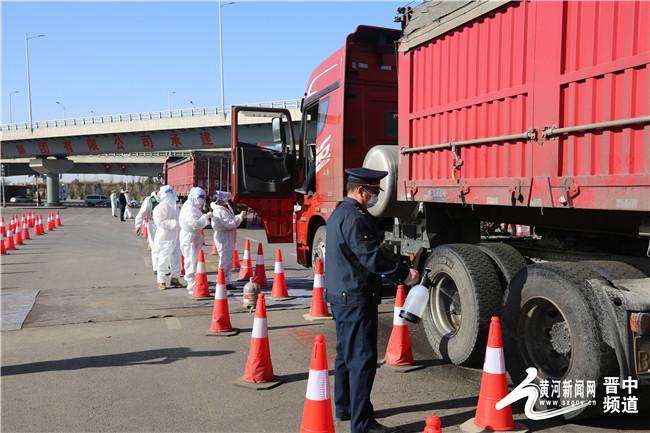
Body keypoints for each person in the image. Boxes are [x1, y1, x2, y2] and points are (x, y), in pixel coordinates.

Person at [325, 168, 419, 433]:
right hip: (355, 296)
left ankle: (344, 408)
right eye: (374, 191)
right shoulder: (356, 218)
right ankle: (362, 423)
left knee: (345, 355)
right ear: (360, 190)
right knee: (362, 360)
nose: (376, 196)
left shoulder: (339, 213)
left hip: (340, 295)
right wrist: (404, 273)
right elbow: (371, 257)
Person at [179, 187, 212, 294]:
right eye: (200, 198)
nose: (202, 200)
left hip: (192, 236)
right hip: (190, 236)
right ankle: (191, 283)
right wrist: (205, 217)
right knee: (191, 259)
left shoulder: (192, 206)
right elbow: (195, 224)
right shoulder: (190, 209)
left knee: (193, 259)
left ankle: (194, 281)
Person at [210, 191, 246, 288]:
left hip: (226, 236)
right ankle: (223, 281)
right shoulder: (219, 211)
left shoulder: (222, 208)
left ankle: (226, 281)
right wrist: (240, 217)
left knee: (227, 260)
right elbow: (230, 224)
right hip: (224, 237)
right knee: (225, 260)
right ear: (219, 200)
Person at [152, 185, 184, 290]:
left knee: (176, 258)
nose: (171, 195)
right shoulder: (160, 207)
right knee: (163, 258)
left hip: (175, 236)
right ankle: (161, 280)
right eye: (169, 193)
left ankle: (175, 278)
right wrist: (174, 223)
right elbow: (159, 222)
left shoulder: (175, 206)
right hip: (164, 237)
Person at [135, 191, 164, 275]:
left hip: (164, 225)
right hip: (153, 225)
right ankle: (156, 267)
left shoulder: (166, 198)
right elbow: (142, 213)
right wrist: (138, 225)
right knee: (155, 246)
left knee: (164, 246)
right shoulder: (150, 200)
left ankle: (164, 266)